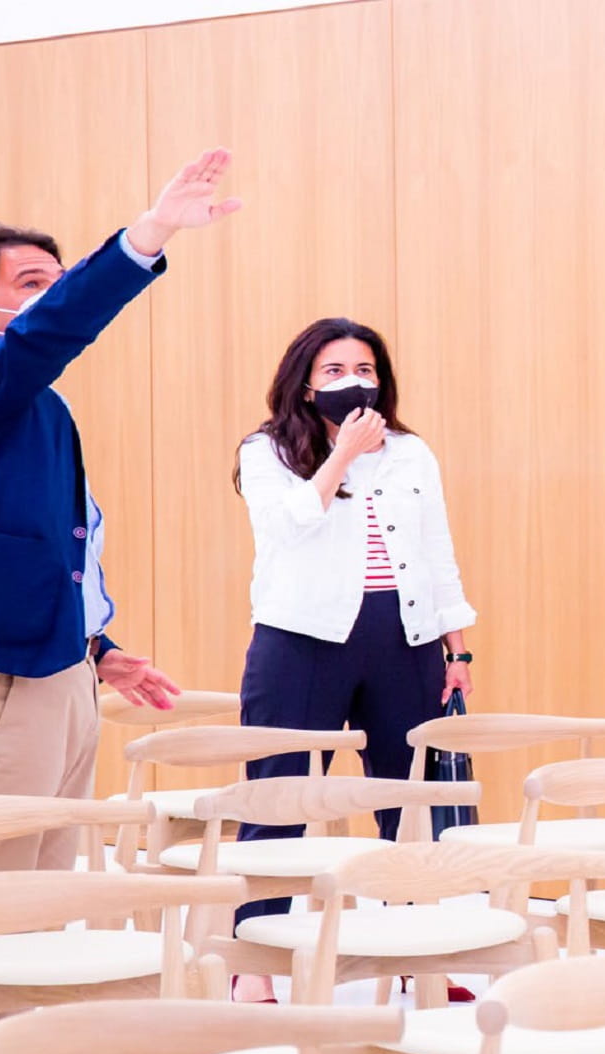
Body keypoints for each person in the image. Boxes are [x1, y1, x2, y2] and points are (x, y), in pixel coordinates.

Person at [0, 148, 240, 882]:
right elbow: (47, 334)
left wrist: (95, 646)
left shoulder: (37, 405)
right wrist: (149, 232)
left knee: (45, 895)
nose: (52, 298)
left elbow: (36, 548)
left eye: (59, 285)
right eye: (32, 286)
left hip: (56, 669)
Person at [229, 317, 476, 1003]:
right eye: (334, 371)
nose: (352, 382)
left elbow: (436, 550)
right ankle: (255, 963)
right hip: (301, 639)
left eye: (364, 369)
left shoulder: (409, 453)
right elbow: (286, 525)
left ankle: (414, 954)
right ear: (305, 384)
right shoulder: (269, 449)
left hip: (405, 635)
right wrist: (341, 454)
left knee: (407, 800)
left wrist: (457, 645)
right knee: (279, 797)